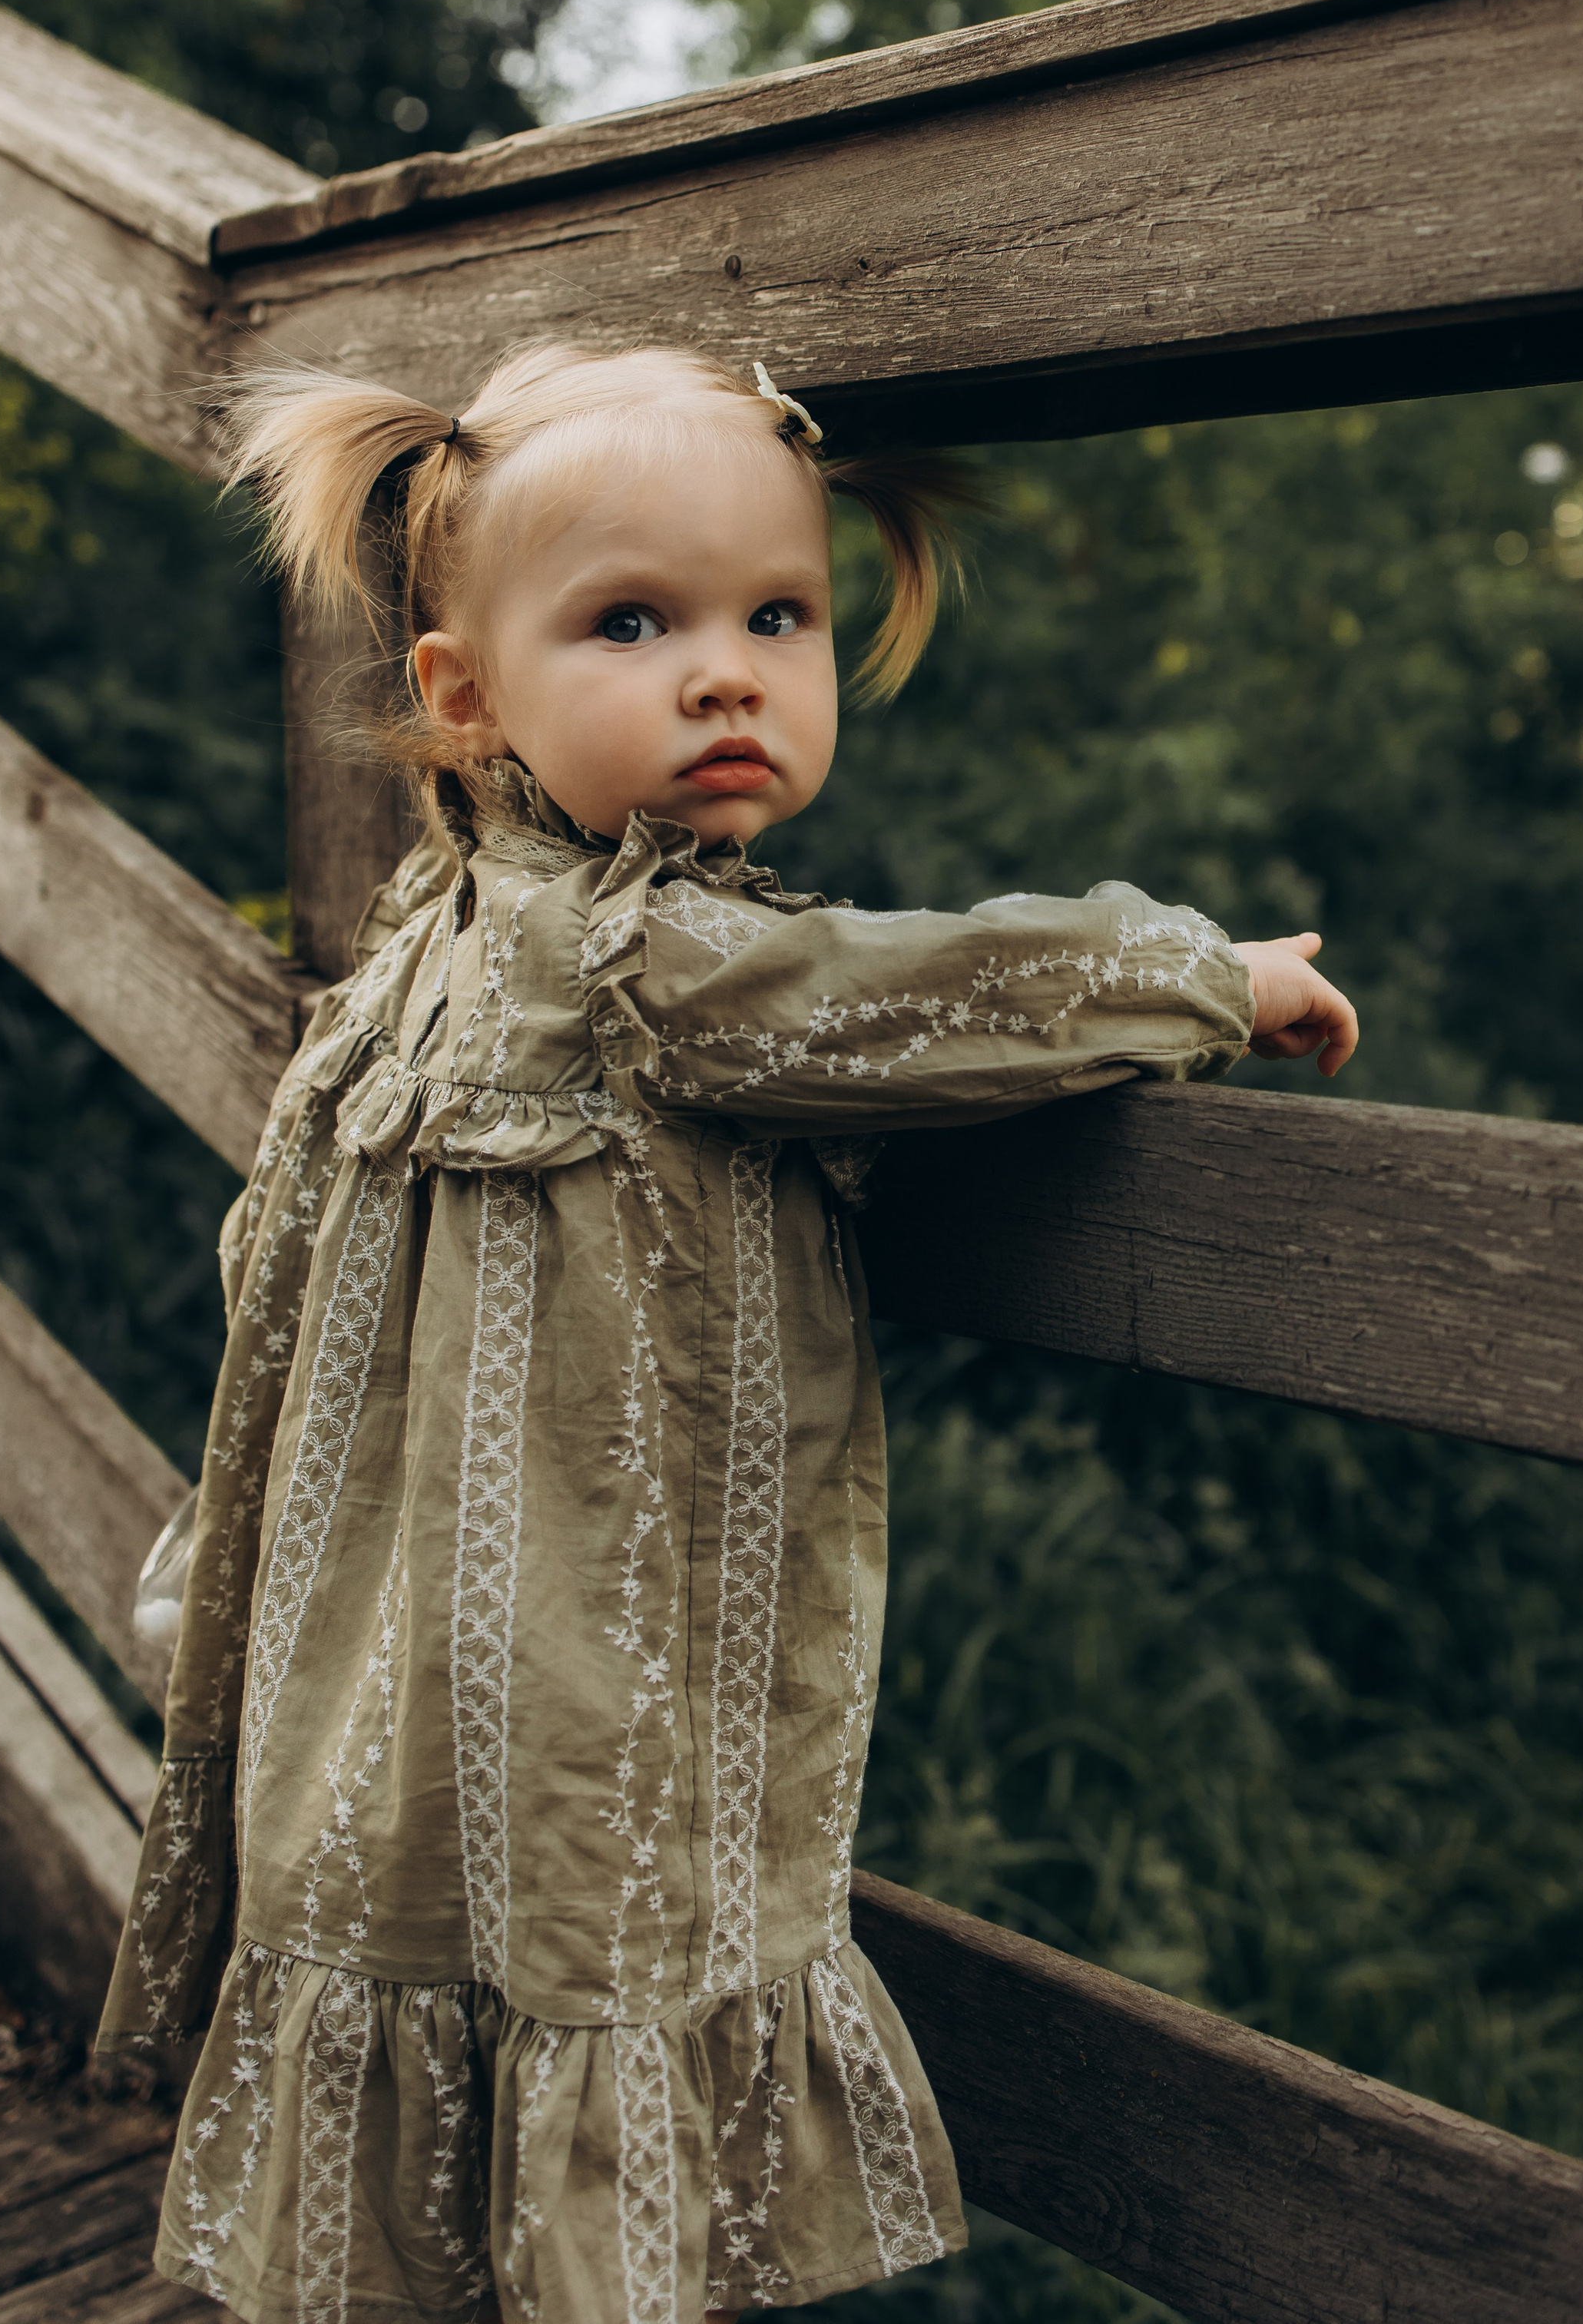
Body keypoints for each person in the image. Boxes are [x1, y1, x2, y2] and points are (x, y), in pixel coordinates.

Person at [98, 342, 1357, 2324]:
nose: (725, 671)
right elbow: (931, 991)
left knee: (422, 1990)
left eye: (781, 615)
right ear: (466, 692)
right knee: (584, 1967)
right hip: (575, 1692)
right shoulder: (651, 961)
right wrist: (1205, 973)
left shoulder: (433, 946)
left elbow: (271, 1265)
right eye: (633, 621)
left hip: (389, 1675)